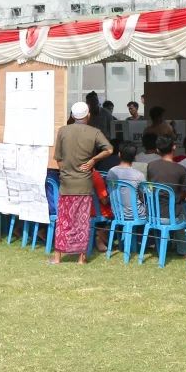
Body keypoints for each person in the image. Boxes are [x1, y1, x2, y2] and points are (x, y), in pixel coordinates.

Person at [51, 102, 113, 265]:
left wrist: (65, 172)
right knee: (82, 221)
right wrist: (93, 160)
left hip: (66, 184)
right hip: (84, 183)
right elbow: (109, 149)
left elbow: (58, 158)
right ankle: (81, 258)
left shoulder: (63, 131)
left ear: (72, 116)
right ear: (88, 116)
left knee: (63, 220)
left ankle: (57, 257)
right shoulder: (94, 132)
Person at [107, 142, 147, 219]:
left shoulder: (111, 172)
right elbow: (145, 195)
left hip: (117, 213)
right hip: (137, 214)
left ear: (119, 154)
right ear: (134, 157)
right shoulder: (139, 175)